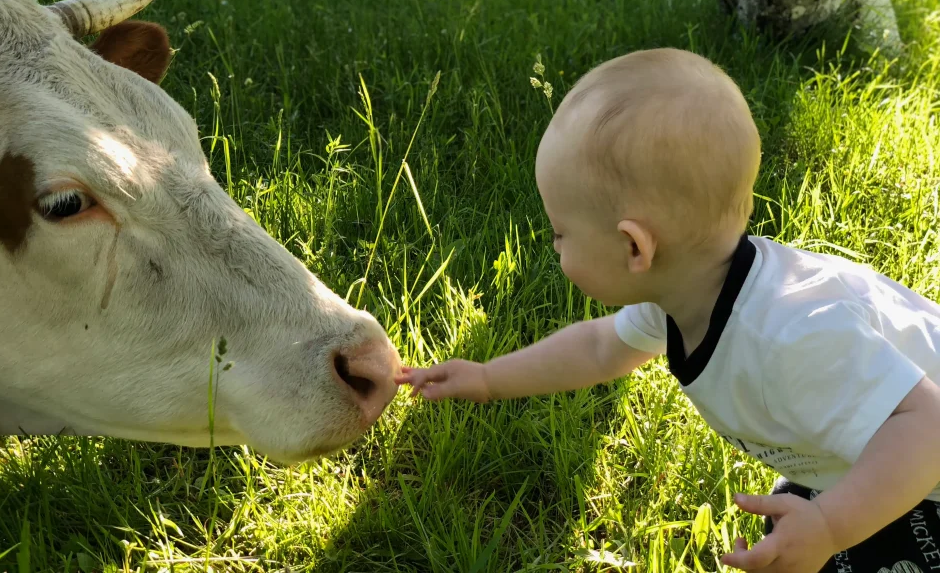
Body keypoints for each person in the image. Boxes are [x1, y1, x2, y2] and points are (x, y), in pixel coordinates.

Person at [396, 48, 940, 572]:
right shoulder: (688, 287)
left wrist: (829, 527)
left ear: (635, 247)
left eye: (560, 232)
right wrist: (488, 378)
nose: (554, 245)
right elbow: (600, 347)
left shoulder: (790, 335)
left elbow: (929, 426)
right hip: (888, 450)